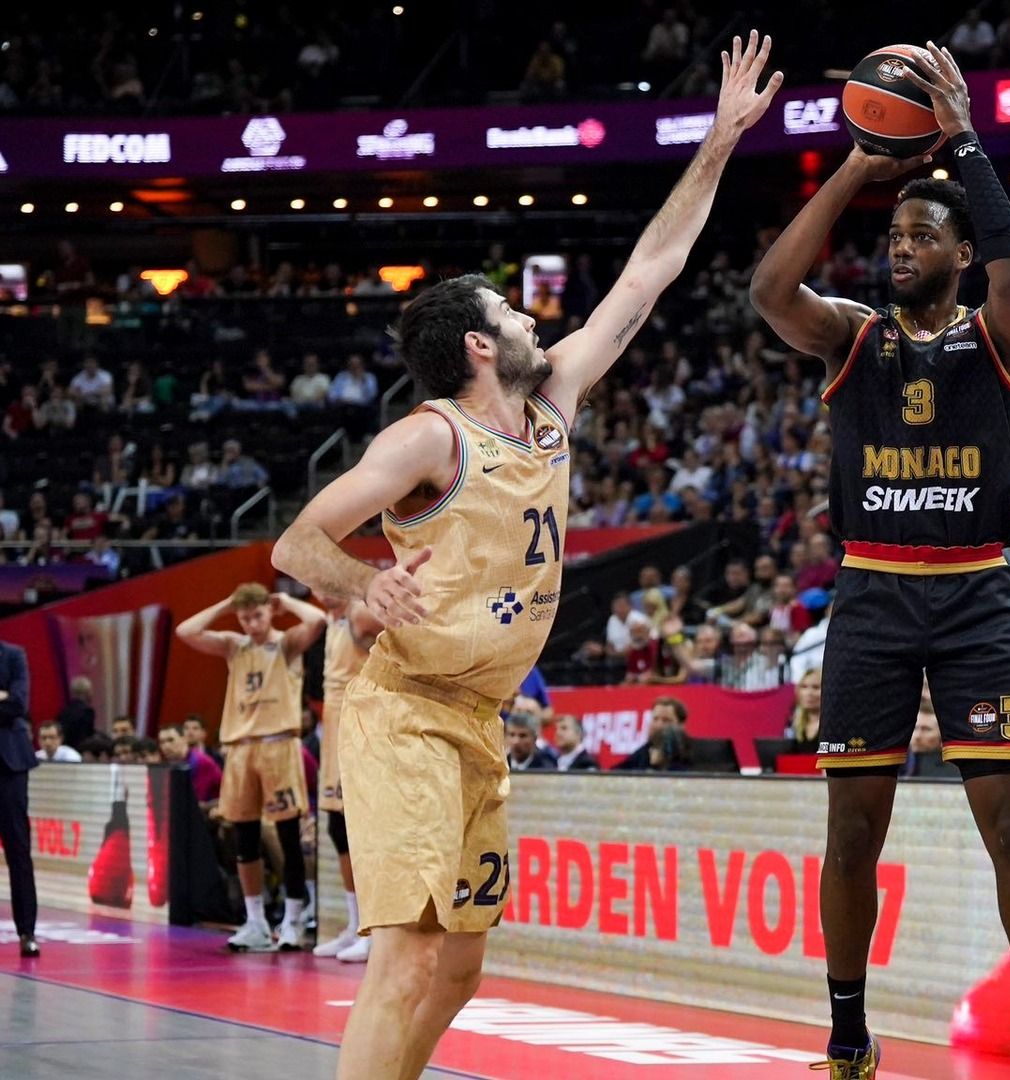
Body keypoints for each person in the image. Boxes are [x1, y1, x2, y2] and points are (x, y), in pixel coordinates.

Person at [269, 33, 781, 1078]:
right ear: (477, 345)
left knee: (460, 968)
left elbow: (648, 274)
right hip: (404, 710)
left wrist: (721, 140)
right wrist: (364, 580)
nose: (531, 315)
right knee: (407, 959)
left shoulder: (553, 402)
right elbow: (294, 540)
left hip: (479, 716)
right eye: (510, 311)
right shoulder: (429, 438)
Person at [749, 42, 1010, 1078]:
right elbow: (769, 289)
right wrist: (857, 166)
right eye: (894, 235)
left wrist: (964, 142)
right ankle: (848, 1031)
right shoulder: (852, 335)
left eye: (923, 234)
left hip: (976, 597)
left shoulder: (1000, 332)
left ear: (962, 254)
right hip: (874, 596)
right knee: (851, 835)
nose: (901, 247)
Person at [175, 584, 328, 951]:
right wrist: (225, 605)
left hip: (279, 744)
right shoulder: (234, 646)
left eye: (257, 615)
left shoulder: (286, 643)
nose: (251, 624)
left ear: (269, 611)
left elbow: (318, 619)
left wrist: (286, 601)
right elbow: (185, 631)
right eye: (244, 618)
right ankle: (255, 921)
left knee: (288, 837)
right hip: (240, 748)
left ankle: (293, 921)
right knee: (244, 837)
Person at [312, 590, 380, 964]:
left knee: (364, 832)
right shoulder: (331, 617)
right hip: (335, 727)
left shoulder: (360, 612)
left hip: (361, 721)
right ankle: (356, 926)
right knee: (338, 829)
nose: (318, 590)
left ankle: (375, 931)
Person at [0, 640, 37, 956]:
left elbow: (18, 704)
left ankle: (27, 931)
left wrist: (8, 699)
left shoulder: (14, 655)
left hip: (9, 764)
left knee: (18, 850)